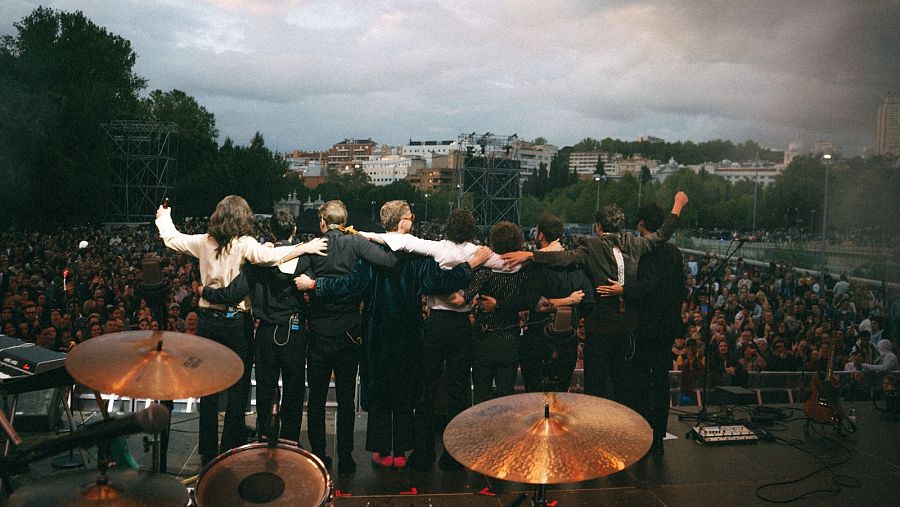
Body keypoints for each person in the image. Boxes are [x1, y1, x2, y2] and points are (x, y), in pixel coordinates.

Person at [296, 200, 491, 470]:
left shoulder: (370, 251)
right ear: (402, 223)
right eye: (410, 215)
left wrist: (319, 286)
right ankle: (400, 449)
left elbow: (356, 285)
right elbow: (440, 282)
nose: (413, 217)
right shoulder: (416, 256)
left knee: (378, 389)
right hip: (409, 329)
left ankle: (380, 450)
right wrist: (470, 266)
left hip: (376, 329)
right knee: (405, 389)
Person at [155, 196, 327, 466]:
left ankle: (208, 449)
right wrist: (307, 245)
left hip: (206, 320)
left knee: (208, 388)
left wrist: (164, 216)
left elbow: (171, 239)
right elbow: (271, 257)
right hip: (236, 322)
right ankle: (229, 445)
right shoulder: (245, 244)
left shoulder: (204, 241)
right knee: (238, 387)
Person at [502, 191, 688, 407]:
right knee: (623, 388)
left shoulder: (591, 246)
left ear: (598, 226)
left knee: (596, 389)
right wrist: (677, 207)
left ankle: (596, 435)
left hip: (600, 329)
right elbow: (662, 234)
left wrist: (532, 255)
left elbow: (564, 258)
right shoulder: (635, 244)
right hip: (627, 330)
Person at [294, 200, 400, 475]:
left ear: (322, 223)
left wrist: (312, 282)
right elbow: (389, 261)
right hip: (350, 332)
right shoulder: (355, 244)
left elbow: (293, 273)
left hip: (318, 331)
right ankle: (346, 456)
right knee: (345, 400)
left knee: (316, 398)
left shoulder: (316, 245)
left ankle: (319, 454)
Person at [199, 210, 309, 445]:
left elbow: (234, 293)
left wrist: (204, 292)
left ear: (270, 231)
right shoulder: (304, 257)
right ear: (294, 230)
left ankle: (263, 434)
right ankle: (289, 438)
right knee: (294, 389)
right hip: (293, 330)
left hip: (266, 331)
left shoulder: (258, 261)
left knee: (264, 389)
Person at [621, 204, 685, 454]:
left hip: (645, 326)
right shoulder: (675, 253)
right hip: (667, 326)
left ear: (642, 224)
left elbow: (647, 287)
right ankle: (658, 433)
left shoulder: (646, 253)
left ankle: (644, 431)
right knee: (660, 381)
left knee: (641, 380)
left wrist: (623, 291)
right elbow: (680, 289)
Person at [518, 214, 593, 394]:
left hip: (536, 341)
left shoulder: (533, 266)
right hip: (568, 340)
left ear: (541, 235)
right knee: (560, 399)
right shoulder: (575, 265)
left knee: (534, 399)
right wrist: (569, 304)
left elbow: (536, 304)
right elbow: (588, 302)